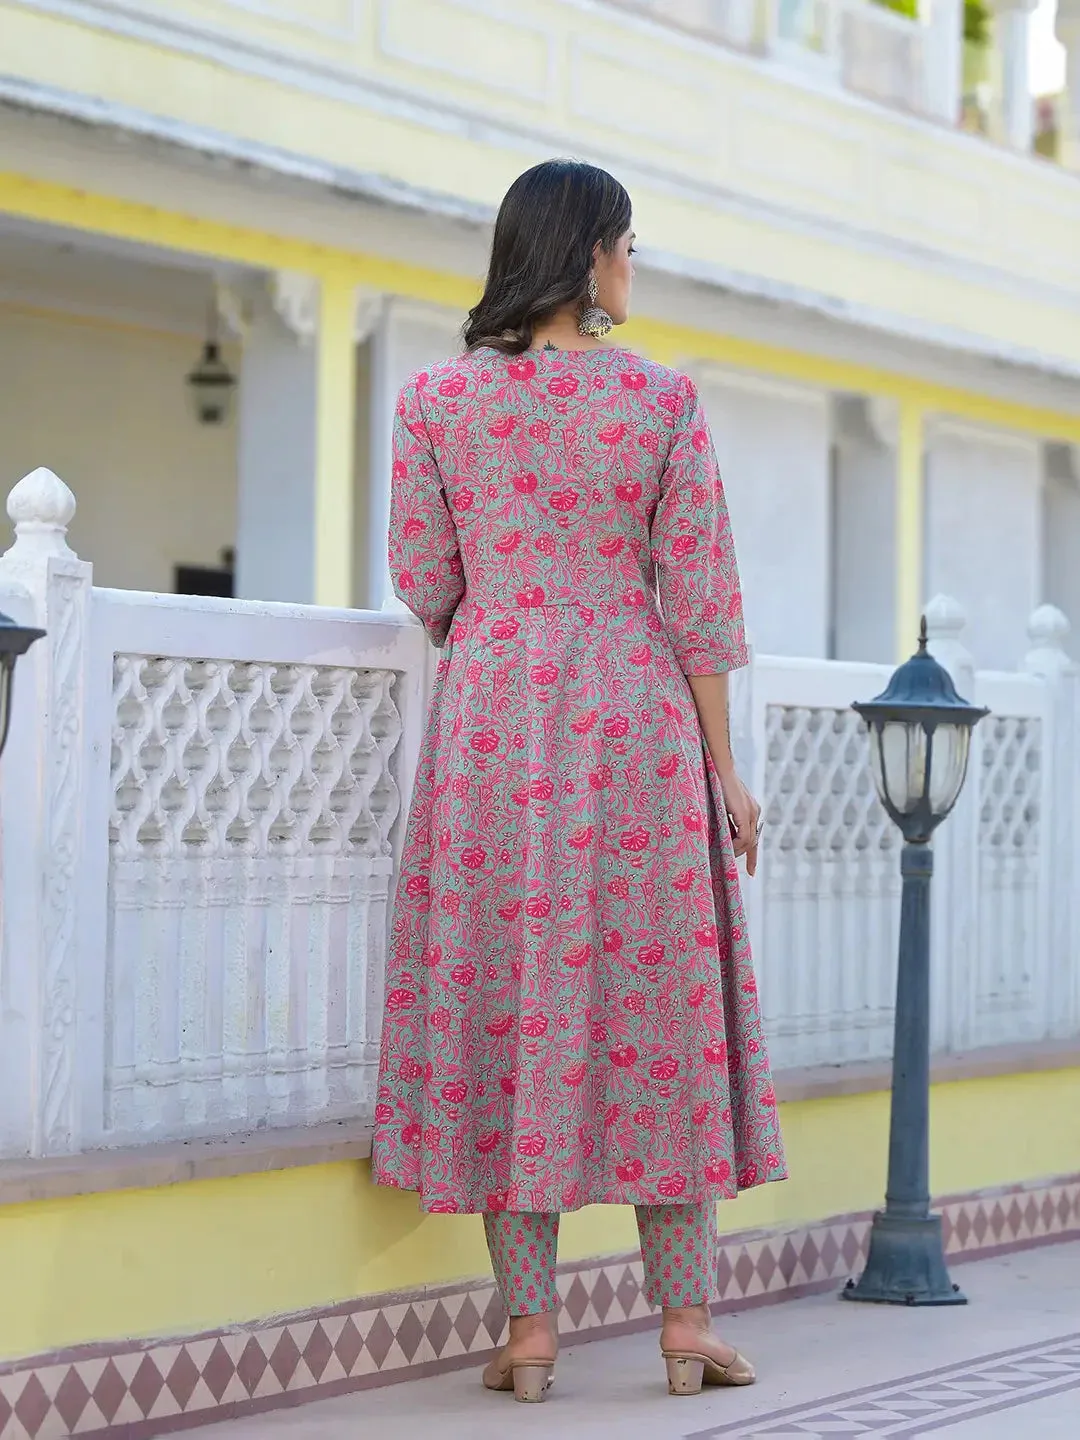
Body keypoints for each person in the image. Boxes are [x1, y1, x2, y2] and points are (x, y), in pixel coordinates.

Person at [372, 159, 786, 1403]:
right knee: (663, 1018)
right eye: (628, 245)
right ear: (592, 254)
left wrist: (510, 626)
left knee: (511, 1008)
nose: (632, 266)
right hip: (637, 728)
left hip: (496, 724)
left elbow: (423, 580)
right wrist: (725, 772)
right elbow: (701, 605)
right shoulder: (660, 402)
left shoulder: (437, 403)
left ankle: (533, 1332)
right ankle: (685, 1322)